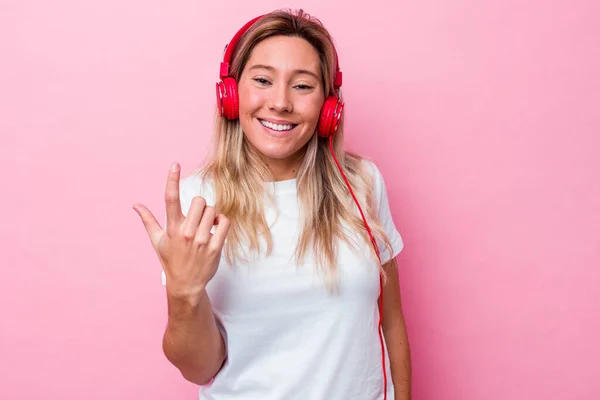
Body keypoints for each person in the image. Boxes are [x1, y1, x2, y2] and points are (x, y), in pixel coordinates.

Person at [133, 8, 411, 400]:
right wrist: (183, 291)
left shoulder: (363, 184)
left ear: (329, 107)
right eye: (263, 80)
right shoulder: (197, 201)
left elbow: (391, 321)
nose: (280, 103)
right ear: (231, 94)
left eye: (303, 86)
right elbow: (199, 367)